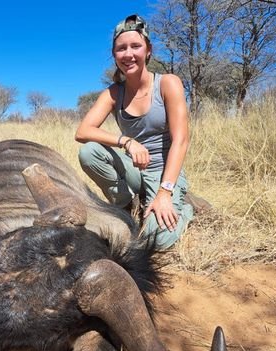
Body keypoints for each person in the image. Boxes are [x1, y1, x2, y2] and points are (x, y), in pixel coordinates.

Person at [75, 14, 194, 250]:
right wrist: (126, 141)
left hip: (164, 173)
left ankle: (186, 209)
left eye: (135, 46)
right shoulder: (113, 93)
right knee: (89, 152)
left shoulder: (168, 83)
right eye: (121, 48)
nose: (128, 54)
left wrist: (164, 193)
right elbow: (82, 131)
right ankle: (126, 206)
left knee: (156, 241)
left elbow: (181, 140)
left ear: (148, 50)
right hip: (134, 169)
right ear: (114, 55)